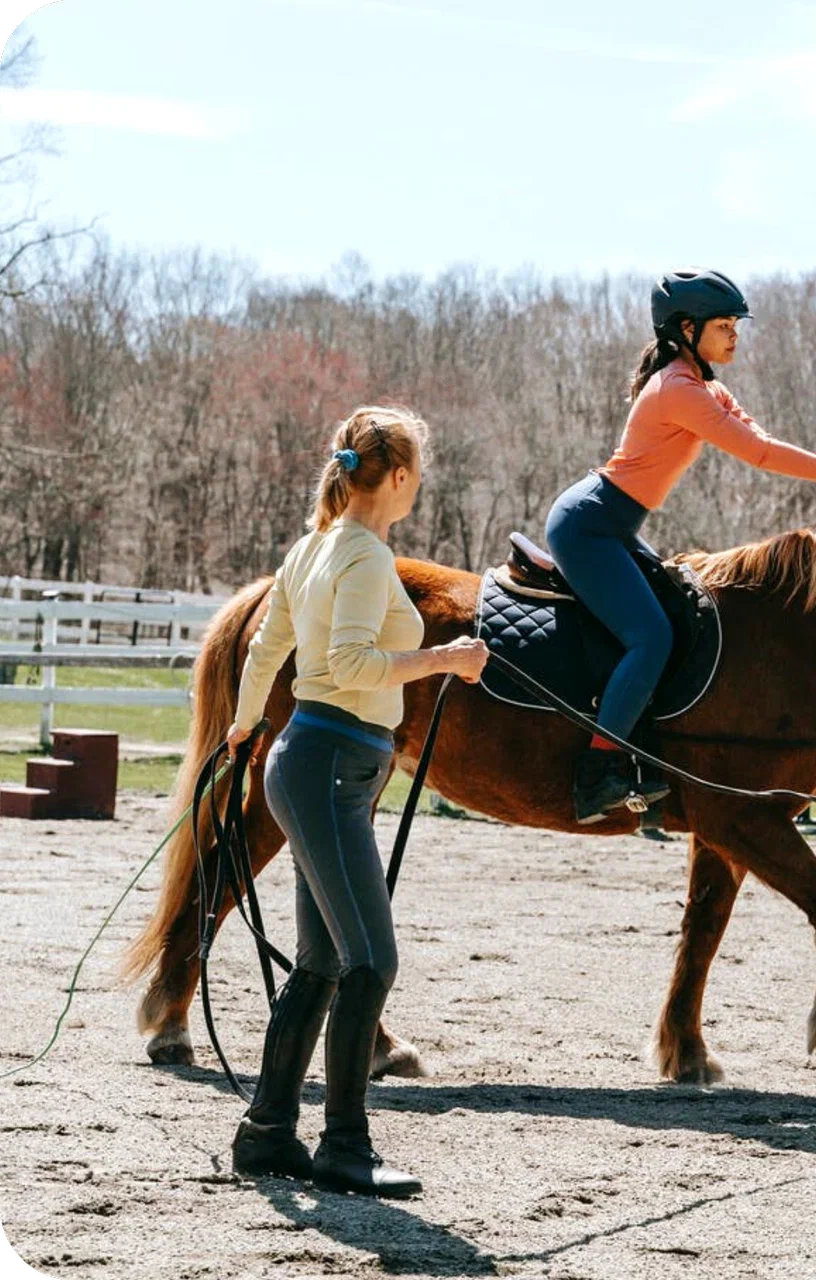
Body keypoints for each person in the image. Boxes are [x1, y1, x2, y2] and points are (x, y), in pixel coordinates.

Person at [225, 405, 488, 1198]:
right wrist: (446, 657)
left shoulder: (311, 548)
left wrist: (242, 730)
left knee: (325, 958)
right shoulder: (366, 555)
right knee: (371, 959)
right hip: (333, 760)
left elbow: (268, 647)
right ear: (400, 477)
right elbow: (347, 664)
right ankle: (344, 1146)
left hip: (307, 757)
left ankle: (268, 1132)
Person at [545, 269, 816, 824]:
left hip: (611, 524)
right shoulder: (677, 390)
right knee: (651, 638)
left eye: (736, 325)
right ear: (686, 330)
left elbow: (761, 439)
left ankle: (646, 754)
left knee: (676, 621)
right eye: (724, 326)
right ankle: (597, 771)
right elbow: (760, 455)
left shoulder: (704, 387)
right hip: (588, 526)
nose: (735, 335)